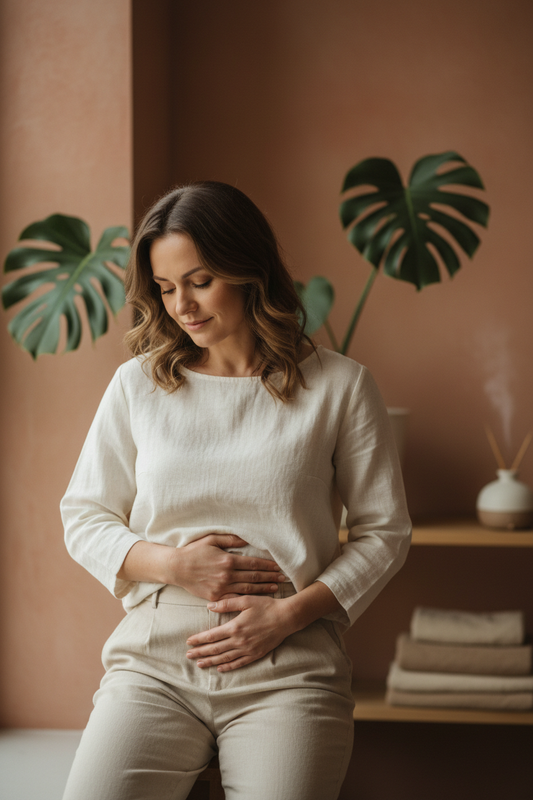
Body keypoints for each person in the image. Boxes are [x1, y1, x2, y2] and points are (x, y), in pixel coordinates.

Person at [60, 181, 411, 800]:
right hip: (155, 660)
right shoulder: (137, 386)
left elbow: (385, 533)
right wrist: (173, 565)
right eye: (166, 289)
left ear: (248, 270)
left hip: (291, 662)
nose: (182, 306)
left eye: (199, 281)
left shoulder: (340, 387)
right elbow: (84, 516)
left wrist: (285, 617)